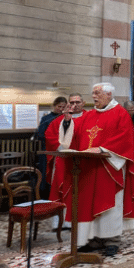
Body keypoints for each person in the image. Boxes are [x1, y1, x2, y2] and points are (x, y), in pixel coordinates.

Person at [52, 83, 134, 253]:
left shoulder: (120, 113)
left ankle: (111, 240)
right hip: (87, 167)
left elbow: (125, 138)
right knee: (89, 204)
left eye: (97, 93)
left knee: (109, 204)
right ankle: (93, 239)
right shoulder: (89, 115)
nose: (94, 96)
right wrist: (67, 121)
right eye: (93, 93)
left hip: (109, 168)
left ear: (109, 94)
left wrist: (102, 149)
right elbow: (75, 136)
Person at [45, 93, 87, 229]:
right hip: (64, 161)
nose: (74, 105)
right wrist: (62, 146)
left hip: (84, 161)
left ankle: (81, 220)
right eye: (72, 102)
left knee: (81, 191)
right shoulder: (59, 120)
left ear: (83, 103)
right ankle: (61, 222)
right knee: (61, 190)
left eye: (77, 102)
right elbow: (49, 135)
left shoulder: (90, 117)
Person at [35, 96, 67, 197]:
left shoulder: (67, 118)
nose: (61, 109)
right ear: (54, 106)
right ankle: (45, 196)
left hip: (61, 149)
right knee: (46, 173)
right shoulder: (46, 118)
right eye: (59, 106)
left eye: (63, 107)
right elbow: (40, 135)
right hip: (48, 149)